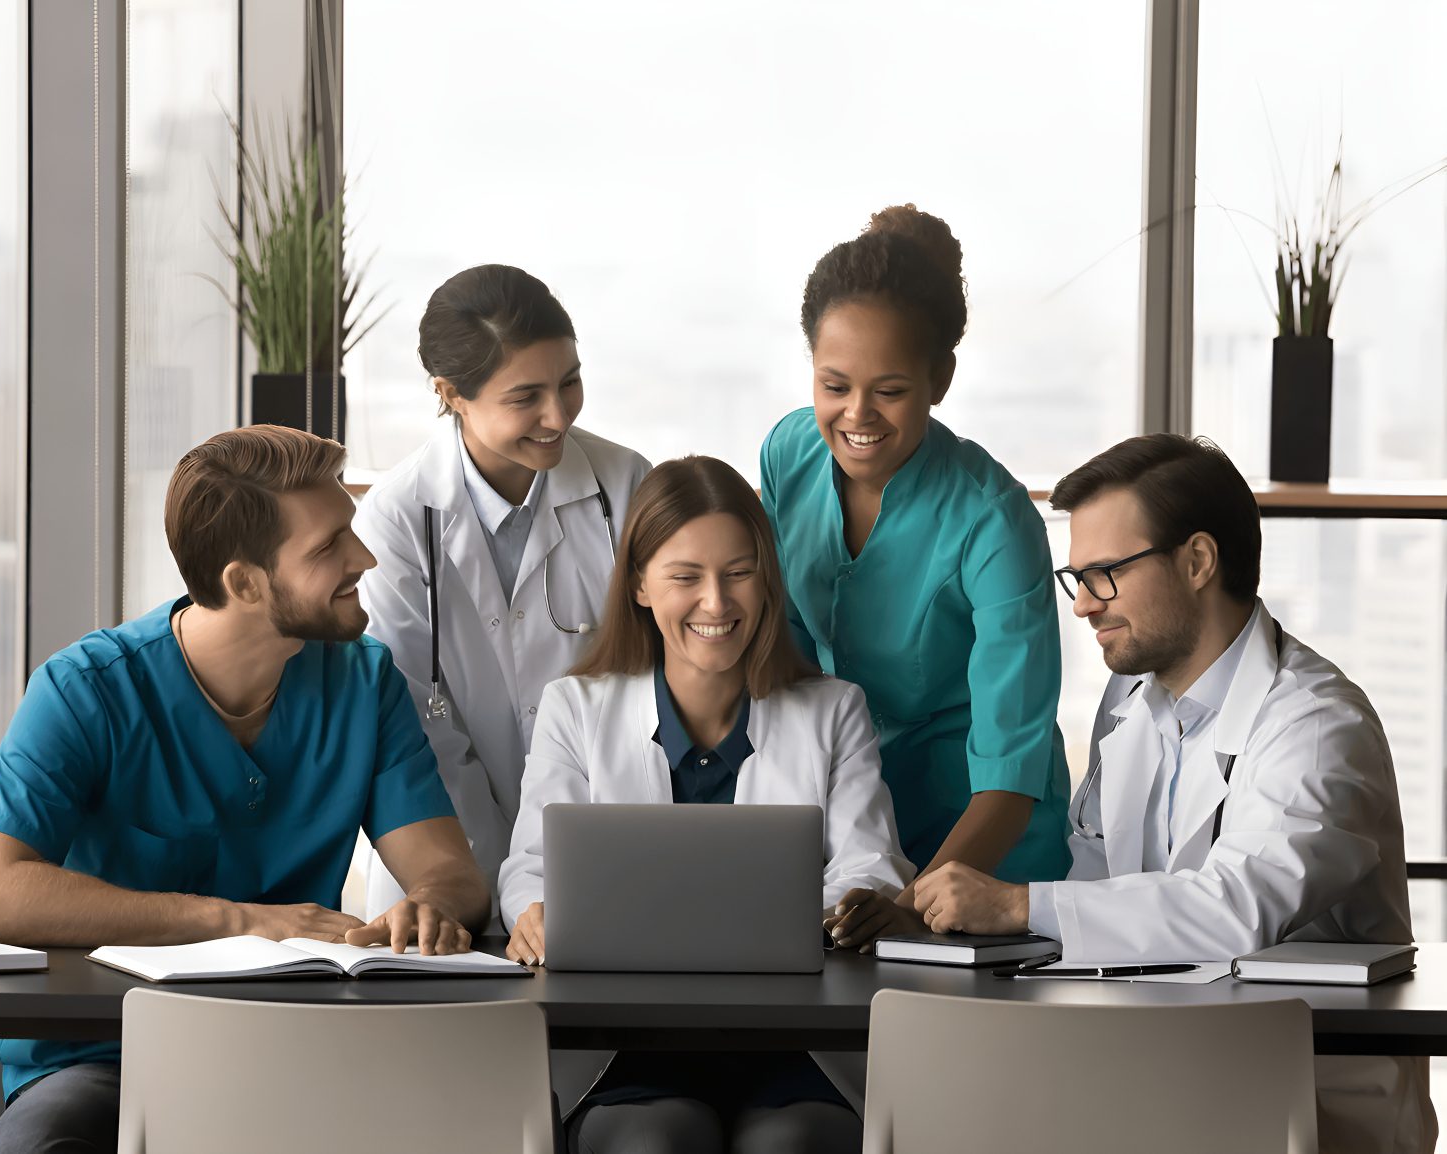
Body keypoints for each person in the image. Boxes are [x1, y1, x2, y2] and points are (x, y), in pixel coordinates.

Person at [0, 425, 490, 1154]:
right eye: (329, 546)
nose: (363, 559)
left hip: (304, 1049)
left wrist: (427, 909)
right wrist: (238, 920)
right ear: (244, 583)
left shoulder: (364, 682)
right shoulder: (85, 690)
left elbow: (449, 874)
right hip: (102, 1059)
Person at [908, 433, 1435, 1154]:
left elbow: (1235, 909)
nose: (1084, 607)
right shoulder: (1128, 702)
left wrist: (1015, 903)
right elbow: (1098, 894)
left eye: (1105, 575)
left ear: (1196, 562)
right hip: (1151, 1066)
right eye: (1077, 579)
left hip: (1301, 1095)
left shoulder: (1315, 726)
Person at [500, 455, 912, 1154]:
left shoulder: (833, 710)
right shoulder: (576, 707)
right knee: (653, 1142)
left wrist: (847, 903)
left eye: (739, 573)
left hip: (798, 1047)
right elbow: (531, 869)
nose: (717, 604)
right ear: (638, 584)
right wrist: (534, 914)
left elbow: (868, 863)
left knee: (791, 1143)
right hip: (627, 1049)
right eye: (685, 577)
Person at [759, 203, 1070, 919]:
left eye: (890, 391)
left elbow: (1010, 770)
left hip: (985, 843)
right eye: (833, 386)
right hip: (855, 820)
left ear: (941, 378)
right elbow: (789, 660)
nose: (857, 416)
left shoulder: (995, 522)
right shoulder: (787, 454)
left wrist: (908, 903)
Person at [358, 264, 651, 924]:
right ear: (451, 393)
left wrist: (545, 875)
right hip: (443, 863)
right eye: (526, 397)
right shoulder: (396, 517)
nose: (558, 415)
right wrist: (486, 882)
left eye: (569, 383)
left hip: (597, 847)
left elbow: (649, 690)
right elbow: (417, 725)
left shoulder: (625, 485)